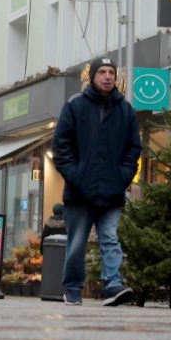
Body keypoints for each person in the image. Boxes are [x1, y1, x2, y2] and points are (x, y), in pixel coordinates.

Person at [52, 56, 141, 307]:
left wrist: (123, 177)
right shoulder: (75, 106)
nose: (107, 76)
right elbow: (61, 146)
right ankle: (72, 288)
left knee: (110, 238)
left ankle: (113, 284)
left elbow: (134, 149)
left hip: (111, 192)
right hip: (79, 193)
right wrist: (76, 175)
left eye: (111, 72)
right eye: (102, 71)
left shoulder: (126, 110)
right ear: (92, 76)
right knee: (77, 242)